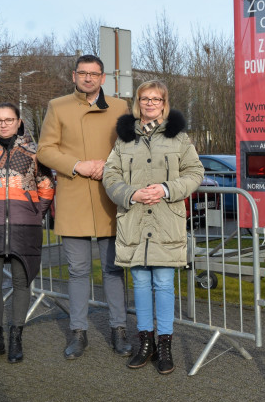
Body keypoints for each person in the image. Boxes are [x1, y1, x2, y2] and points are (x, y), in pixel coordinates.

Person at [103, 80, 204, 374]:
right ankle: (145, 343)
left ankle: (165, 346)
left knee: (163, 283)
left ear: (164, 103)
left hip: (165, 222)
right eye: (145, 98)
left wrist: (166, 188)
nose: (150, 103)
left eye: (156, 99)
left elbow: (195, 172)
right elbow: (110, 175)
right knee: (141, 285)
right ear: (138, 102)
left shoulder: (179, 139)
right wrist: (131, 193)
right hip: (134, 221)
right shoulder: (124, 140)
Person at [36, 55, 131, 359]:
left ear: (104, 78)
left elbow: (129, 146)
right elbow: (45, 150)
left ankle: (119, 330)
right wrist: (78, 165)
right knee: (77, 270)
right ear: (73, 75)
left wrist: (109, 166)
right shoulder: (58, 106)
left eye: (94, 74)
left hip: (109, 198)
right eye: (83, 73)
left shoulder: (119, 107)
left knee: (113, 269)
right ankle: (79, 332)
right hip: (74, 198)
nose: (88, 78)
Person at [0, 103, 55, 363]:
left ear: (19, 122)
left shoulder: (35, 151)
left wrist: (36, 211)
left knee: (21, 281)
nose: (3, 124)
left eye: (8, 119)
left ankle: (16, 338)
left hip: (24, 225)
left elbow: (46, 184)